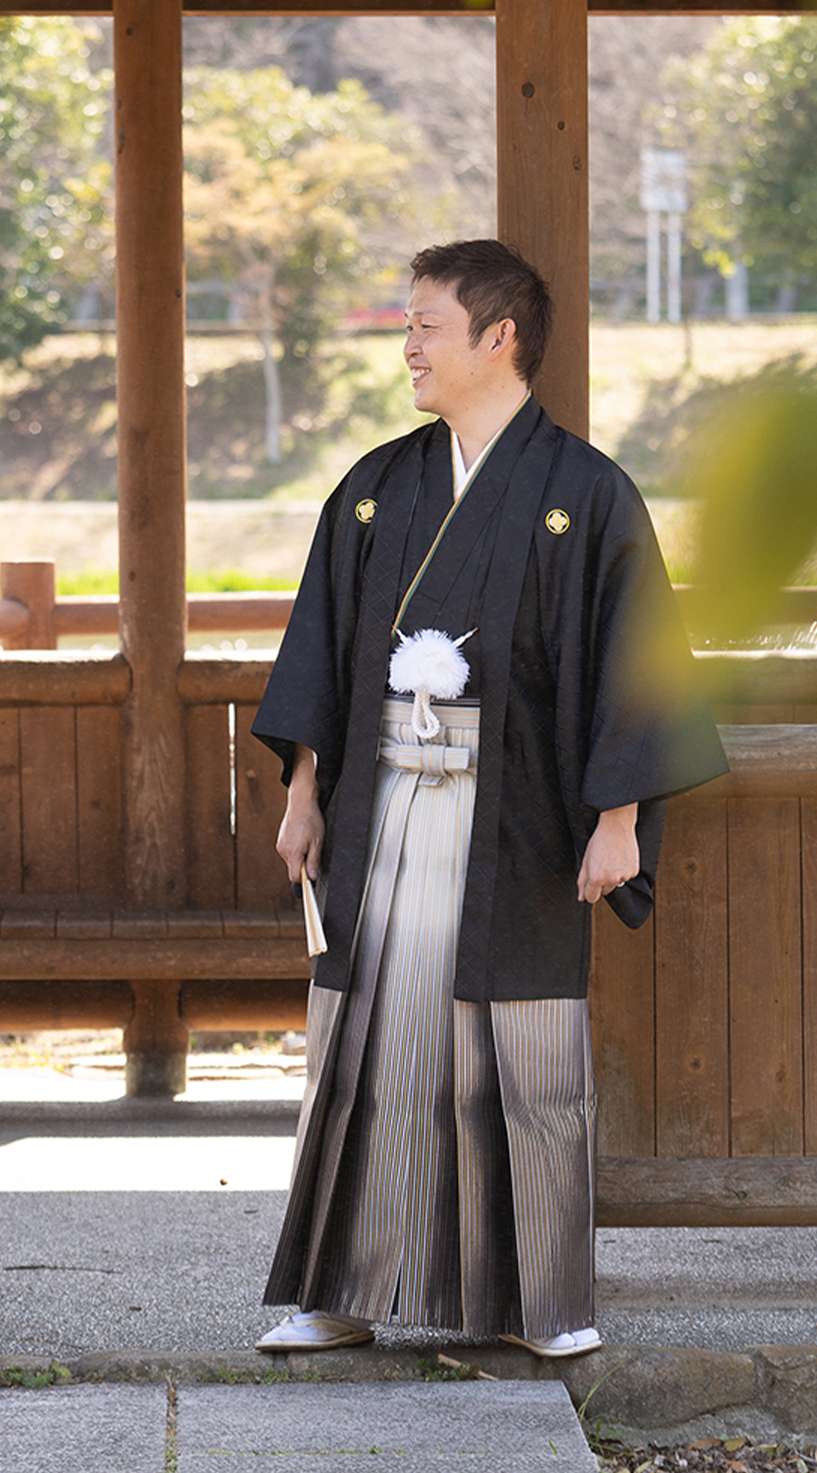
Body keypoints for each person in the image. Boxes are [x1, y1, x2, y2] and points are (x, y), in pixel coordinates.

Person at [251, 240, 726, 1358]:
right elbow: (321, 645)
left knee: (521, 1054)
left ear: (497, 336)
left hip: (514, 820)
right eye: (406, 327)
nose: (407, 347)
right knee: (365, 1047)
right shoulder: (375, 488)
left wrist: (619, 818)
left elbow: (637, 661)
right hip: (380, 809)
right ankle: (341, 1292)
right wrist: (304, 790)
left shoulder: (584, 494)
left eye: (425, 325)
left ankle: (540, 1302)